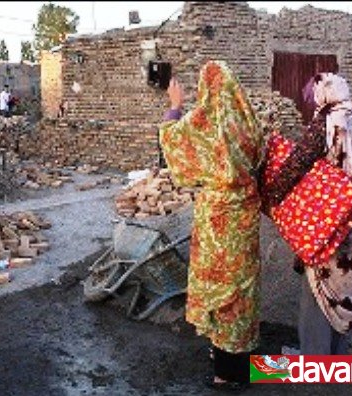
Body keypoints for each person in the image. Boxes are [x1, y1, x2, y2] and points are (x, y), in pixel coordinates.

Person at [159, 61, 265, 388]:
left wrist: (175, 106)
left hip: (216, 219)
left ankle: (226, 374)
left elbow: (172, 141)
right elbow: (260, 160)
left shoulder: (202, 125)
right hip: (243, 216)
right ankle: (236, 357)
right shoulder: (248, 124)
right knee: (240, 287)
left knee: (218, 284)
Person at [261, 73, 352, 354]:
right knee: (346, 288)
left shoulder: (327, 124)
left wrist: (271, 194)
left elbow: (296, 164)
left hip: (331, 221)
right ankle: (336, 353)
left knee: (318, 288)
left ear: (323, 95)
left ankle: (314, 357)